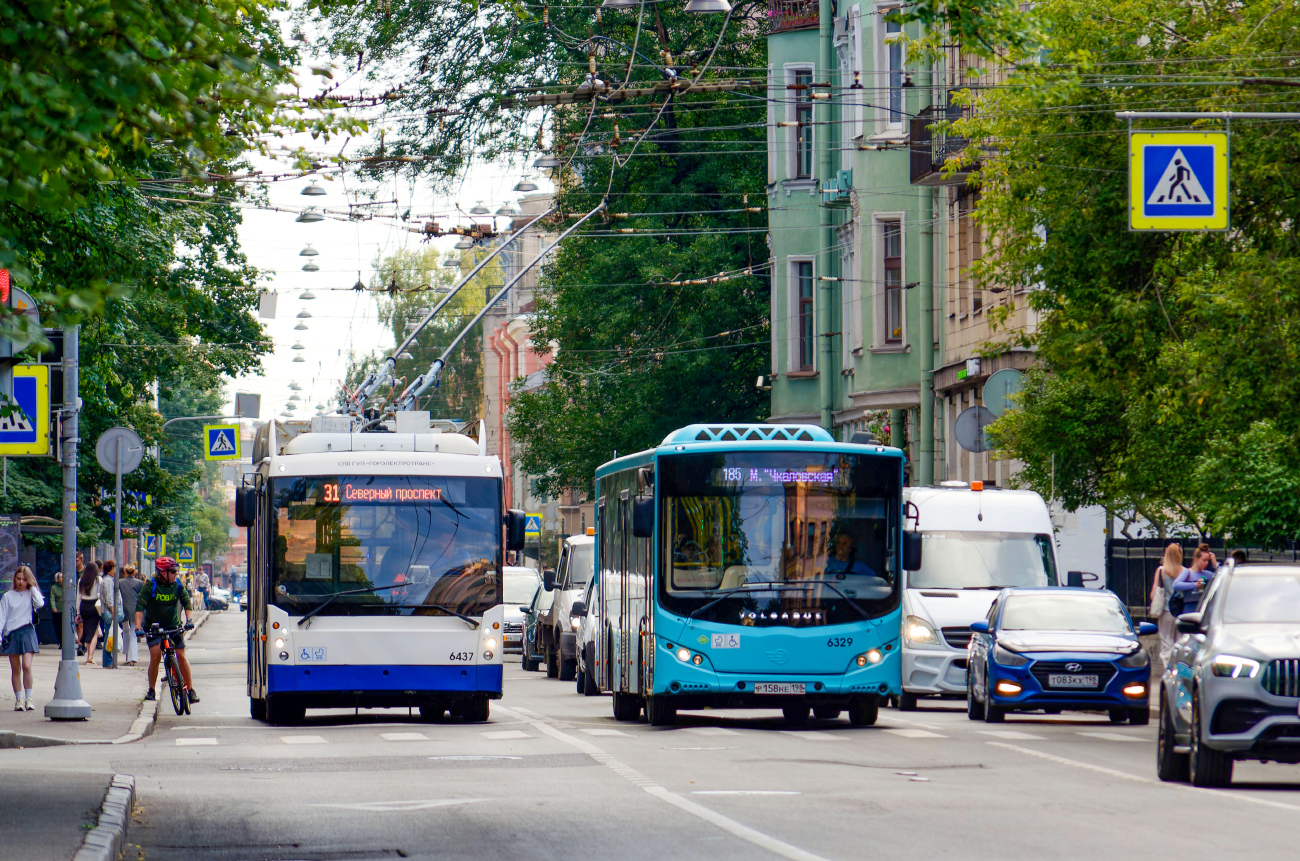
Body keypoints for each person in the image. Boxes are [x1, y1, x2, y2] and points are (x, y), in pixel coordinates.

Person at [135, 556, 199, 704]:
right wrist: (138, 627)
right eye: (173, 572)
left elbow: (186, 603)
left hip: (173, 625)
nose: (176, 574)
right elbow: (140, 606)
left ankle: (190, 690)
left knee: (181, 656)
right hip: (154, 627)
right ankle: (151, 690)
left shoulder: (177, 584)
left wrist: (189, 620)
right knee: (156, 655)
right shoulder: (151, 584)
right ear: (163, 572)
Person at [2, 566, 45, 711]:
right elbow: (2, 617)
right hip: (12, 633)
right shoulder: (8, 596)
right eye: (18, 579)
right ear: (14, 579)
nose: (21, 582)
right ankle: (19, 699)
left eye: (24, 579)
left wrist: (32, 587)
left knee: (27, 665)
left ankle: (29, 698)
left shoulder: (30, 594)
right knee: (16, 668)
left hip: (27, 630)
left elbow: (40, 603)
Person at [1150, 543, 1184, 666]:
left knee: (1166, 641)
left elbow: (1153, 594)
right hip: (1181, 612)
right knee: (1179, 641)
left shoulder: (1161, 571)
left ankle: (1167, 668)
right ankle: (1178, 667)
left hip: (1165, 611)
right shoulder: (1184, 572)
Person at [1171, 544, 1215, 613]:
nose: (1206, 563)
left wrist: (1215, 564)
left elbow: (1222, 579)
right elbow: (1175, 585)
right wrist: (1194, 585)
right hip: (1189, 609)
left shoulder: (1208, 574)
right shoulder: (1188, 572)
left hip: (1203, 610)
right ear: (1196, 559)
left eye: (1208, 561)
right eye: (1204, 560)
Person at [117, 565, 144, 666]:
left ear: (125, 571)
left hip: (123, 610)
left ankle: (128, 655)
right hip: (135, 610)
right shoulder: (139, 583)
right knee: (133, 633)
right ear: (134, 572)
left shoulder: (120, 582)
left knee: (125, 632)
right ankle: (133, 658)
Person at [77, 562, 103, 665]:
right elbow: (101, 595)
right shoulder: (98, 580)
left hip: (84, 605)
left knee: (88, 630)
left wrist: (78, 613)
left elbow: (78, 597)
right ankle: (90, 656)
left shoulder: (81, 580)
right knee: (94, 632)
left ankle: (88, 655)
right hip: (94, 605)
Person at [98, 559, 121, 667]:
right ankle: (108, 661)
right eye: (114, 568)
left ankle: (109, 661)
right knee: (109, 637)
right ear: (110, 570)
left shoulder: (109, 580)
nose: (116, 571)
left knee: (110, 635)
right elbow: (109, 597)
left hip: (109, 611)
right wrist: (113, 610)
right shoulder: (107, 581)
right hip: (109, 611)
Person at [49, 572, 64, 649]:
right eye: (61, 577)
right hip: (57, 610)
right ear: (58, 579)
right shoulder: (54, 587)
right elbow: (52, 598)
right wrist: (53, 607)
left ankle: (65, 642)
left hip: (65, 611)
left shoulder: (67, 587)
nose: (62, 578)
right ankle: (60, 641)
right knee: (58, 627)